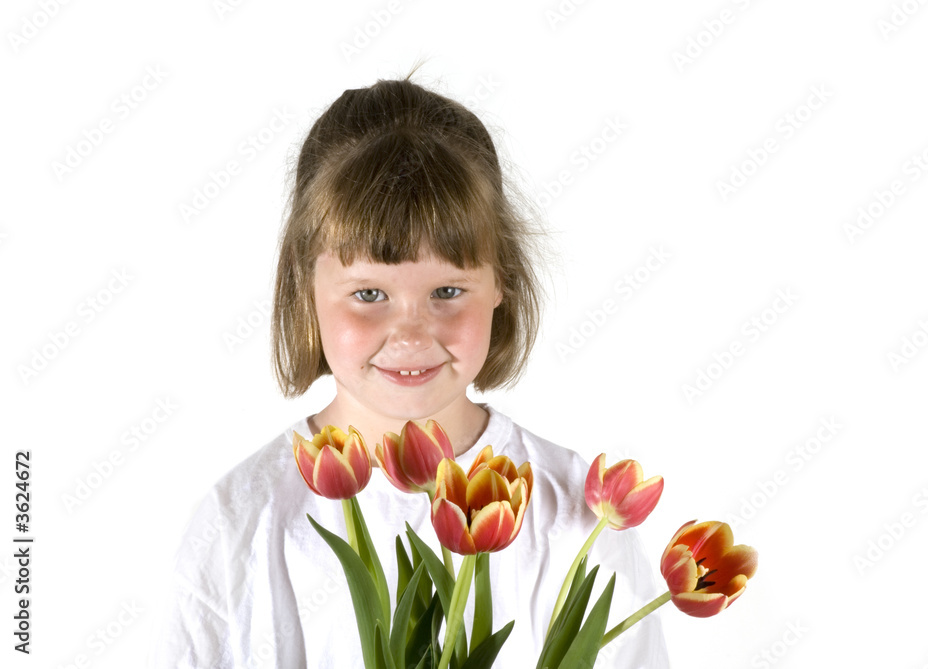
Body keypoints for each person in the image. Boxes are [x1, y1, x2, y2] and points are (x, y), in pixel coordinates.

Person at [150, 73, 671, 668]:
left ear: (501, 281)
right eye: (369, 294)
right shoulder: (238, 523)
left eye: (447, 290)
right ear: (304, 284)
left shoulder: (574, 515)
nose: (411, 335)